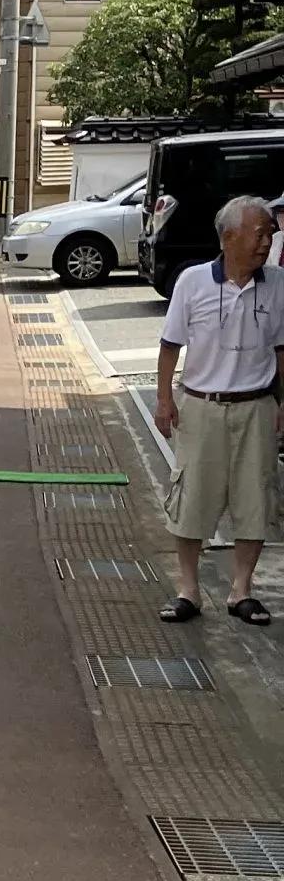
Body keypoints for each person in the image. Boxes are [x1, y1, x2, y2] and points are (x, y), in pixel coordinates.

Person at [155, 193, 284, 628]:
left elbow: (283, 350)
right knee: (192, 498)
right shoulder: (193, 281)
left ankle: (241, 591)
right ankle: (187, 590)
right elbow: (170, 345)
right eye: (259, 232)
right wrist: (164, 400)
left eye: (270, 233)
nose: (267, 241)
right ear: (229, 237)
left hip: (257, 407)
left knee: (256, 499)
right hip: (202, 405)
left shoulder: (278, 284)